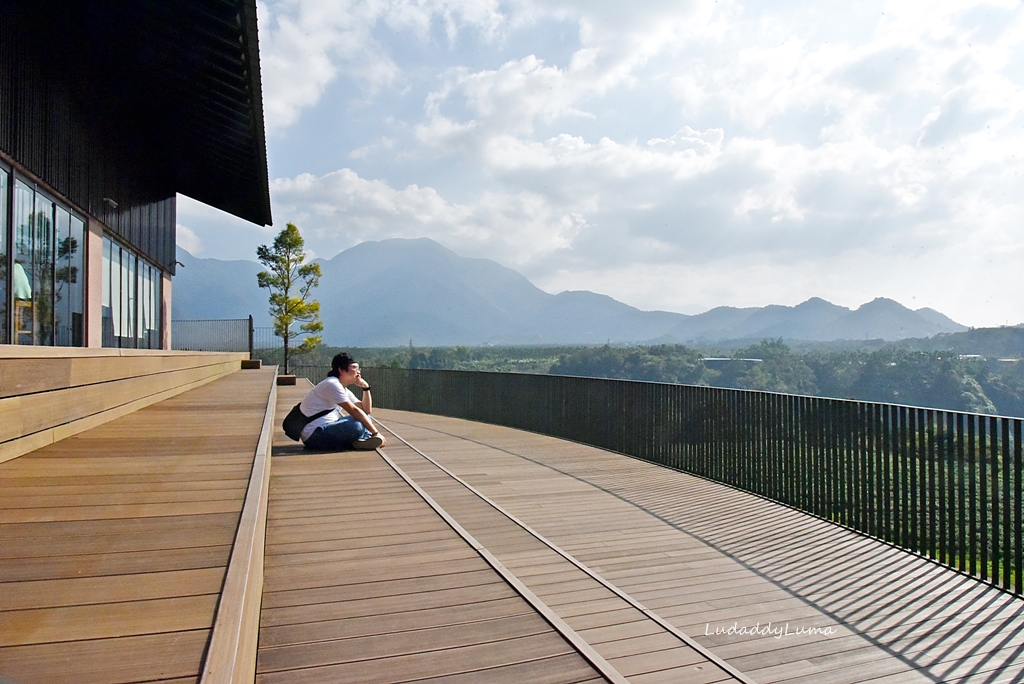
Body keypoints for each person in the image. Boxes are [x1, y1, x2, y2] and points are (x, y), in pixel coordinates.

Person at [299, 353, 387, 451]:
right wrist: (376, 433)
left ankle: (363, 440)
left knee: (365, 416)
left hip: (327, 429)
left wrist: (366, 388)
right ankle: (365, 438)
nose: (358, 372)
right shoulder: (332, 384)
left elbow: (366, 409)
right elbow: (354, 410)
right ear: (341, 370)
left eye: (359, 369)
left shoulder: (342, 388)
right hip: (314, 435)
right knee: (356, 425)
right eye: (354, 368)